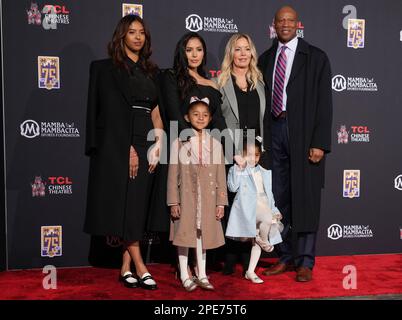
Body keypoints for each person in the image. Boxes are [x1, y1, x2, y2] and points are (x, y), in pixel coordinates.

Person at [84, 15, 163, 290]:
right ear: (122, 36)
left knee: (137, 208)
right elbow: (109, 116)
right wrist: (126, 149)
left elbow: (155, 111)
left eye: (142, 32)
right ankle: (141, 265)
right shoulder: (107, 69)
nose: (138, 37)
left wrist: (158, 144)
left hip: (147, 143)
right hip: (120, 146)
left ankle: (125, 266)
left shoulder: (152, 71)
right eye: (132, 32)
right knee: (125, 207)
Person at [258, 6, 333, 282]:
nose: (285, 25)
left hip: (304, 135)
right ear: (274, 25)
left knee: (306, 197)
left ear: (298, 24)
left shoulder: (316, 58)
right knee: (279, 196)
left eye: (290, 20)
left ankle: (305, 261)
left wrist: (320, 143)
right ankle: (285, 256)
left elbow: (325, 104)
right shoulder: (265, 59)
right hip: (274, 131)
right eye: (281, 21)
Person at [215, 33, 268, 275]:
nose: (243, 53)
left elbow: (260, 120)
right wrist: (233, 152)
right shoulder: (221, 82)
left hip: (254, 154)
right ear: (231, 54)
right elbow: (217, 121)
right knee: (231, 206)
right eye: (238, 49)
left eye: (247, 49)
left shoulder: (258, 81)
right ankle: (228, 256)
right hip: (232, 153)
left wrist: (257, 151)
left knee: (251, 206)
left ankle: (247, 257)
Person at [167, 97, 228, 292]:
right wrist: (173, 201)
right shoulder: (179, 142)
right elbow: (172, 174)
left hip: (208, 200)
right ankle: (185, 274)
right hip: (186, 198)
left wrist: (221, 203)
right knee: (184, 235)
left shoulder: (216, 144)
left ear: (210, 119)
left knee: (203, 235)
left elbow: (221, 175)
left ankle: (201, 273)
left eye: (205, 115)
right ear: (187, 117)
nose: (200, 118)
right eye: (196, 114)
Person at [226, 139, 283, 284]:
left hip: (264, 204)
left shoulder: (264, 172)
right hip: (248, 207)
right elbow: (232, 187)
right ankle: (262, 239)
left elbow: (269, 194)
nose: (253, 158)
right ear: (242, 154)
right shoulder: (237, 169)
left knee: (257, 242)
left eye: (256, 155)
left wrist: (275, 209)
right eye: (249, 155)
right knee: (266, 219)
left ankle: (250, 271)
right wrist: (239, 168)